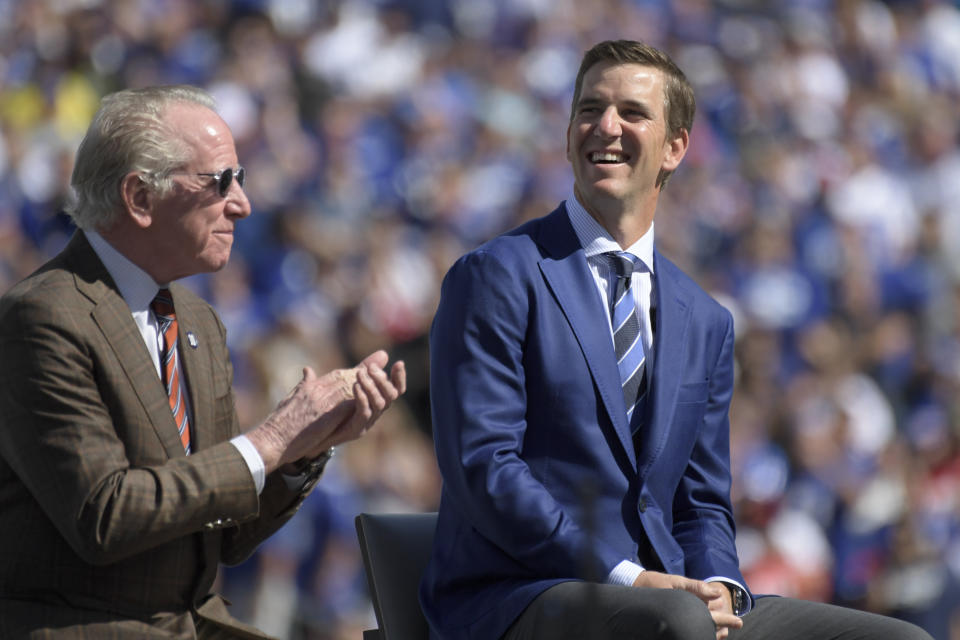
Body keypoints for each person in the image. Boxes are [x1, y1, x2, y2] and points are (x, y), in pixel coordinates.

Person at [420, 40, 931, 640]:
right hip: (522, 594)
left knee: (899, 639)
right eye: (590, 109)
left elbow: (703, 503)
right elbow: (485, 467)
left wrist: (721, 589)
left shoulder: (706, 319)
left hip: (669, 598)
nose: (605, 126)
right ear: (567, 135)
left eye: (632, 113)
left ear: (676, 147)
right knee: (674, 624)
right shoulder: (498, 274)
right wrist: (628, 578)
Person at [0, 85, 406, 639]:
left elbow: (220, 535)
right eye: (220, 182)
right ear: (140, 198)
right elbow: (104, 517)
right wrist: (268, 441)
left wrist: (299, 450)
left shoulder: (199, 323)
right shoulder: (43, 317)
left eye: (240, 179)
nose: (242, 204)